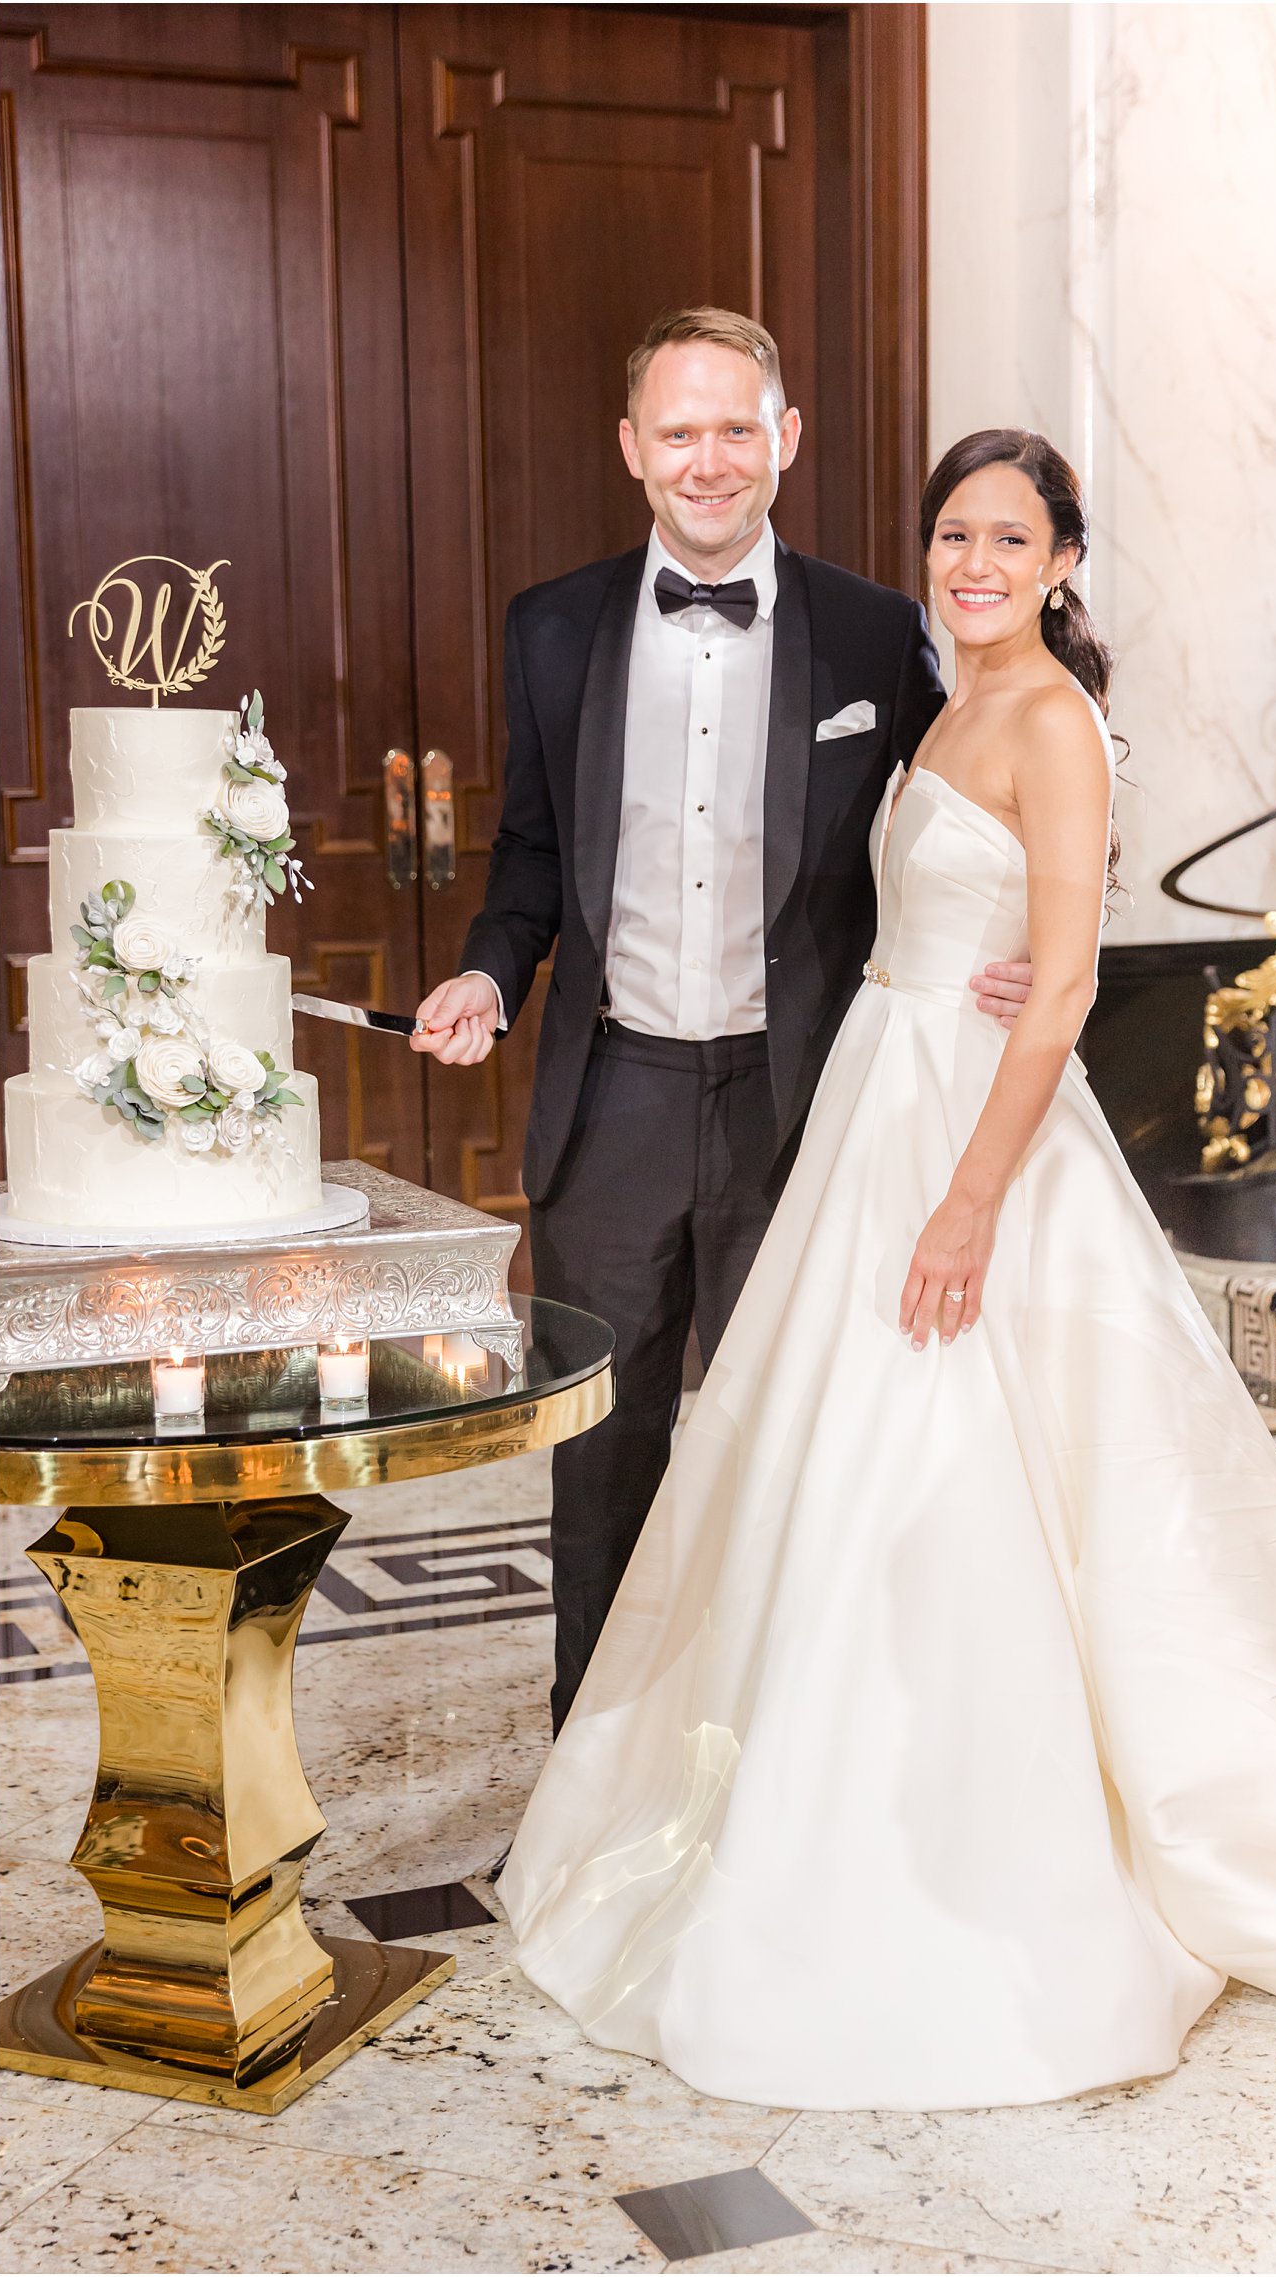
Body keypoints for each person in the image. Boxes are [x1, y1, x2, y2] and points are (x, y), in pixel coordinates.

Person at [497, 428, 1276, 2111]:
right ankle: (786, 1795)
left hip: (973, 1144)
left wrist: (970, 1202)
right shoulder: (943, 696)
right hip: (874, 1102)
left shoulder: (1052, 716)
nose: (974, 562)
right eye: (953, 533)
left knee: (964, 1469)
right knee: (824, 1468)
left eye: (1009, 538)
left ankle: (965, 1840)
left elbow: (1057, 993)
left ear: (1063, 558)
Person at [412, 309, 1030, 1733]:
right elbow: (528, 858)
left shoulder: (883, 629)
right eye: (679, 431)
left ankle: (781, 1777)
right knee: (605, 1457)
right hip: (613, 1098)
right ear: (633, 450)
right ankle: (591, 1778)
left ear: (785, 440)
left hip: (805, 1101)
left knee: (799, 1449)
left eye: (736, 428)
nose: (709, 460)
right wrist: (491, 975)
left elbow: (995, 775)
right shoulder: (552, 627)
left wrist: (1026, 935)